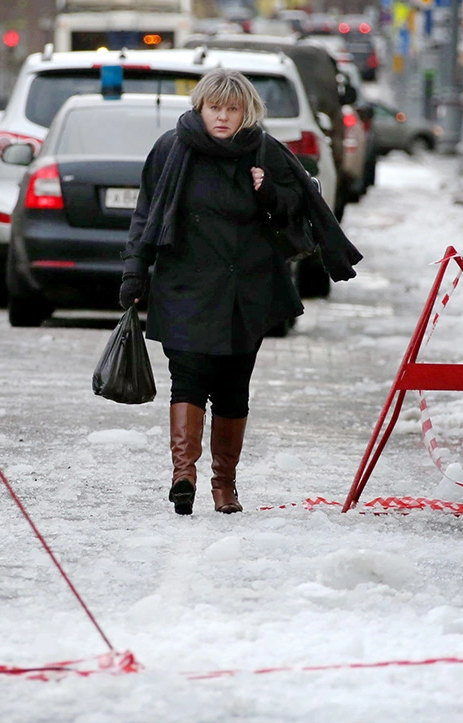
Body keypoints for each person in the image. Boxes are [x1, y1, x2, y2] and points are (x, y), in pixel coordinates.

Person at [120, 68, 362, 516]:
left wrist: (269, 192)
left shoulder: (264, 151)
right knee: (188, 376)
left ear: (246, 112)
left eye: (233, 109)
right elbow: (144, 215)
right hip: (184, 285)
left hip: (244, 288)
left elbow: (301, 203)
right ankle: (183, 476)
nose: (223, 117)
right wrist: (134, 271)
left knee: (233, 388)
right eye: (216, 108)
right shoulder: (171, 150)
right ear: (200, 107)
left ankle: (224, 485)